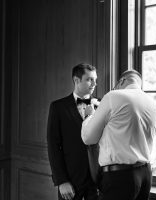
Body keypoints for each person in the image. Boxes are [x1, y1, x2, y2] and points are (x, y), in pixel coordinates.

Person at [81, 69, 156, 200]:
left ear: (121, 81)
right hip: (145, 174)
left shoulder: (114, 96)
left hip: (120, 178)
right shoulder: (152, 103)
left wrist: (90, 116)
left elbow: (88, 138)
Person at [47, 63, 99, 200]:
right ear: (76, 80)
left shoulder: (102, 105)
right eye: (89, 79)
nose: (94, 83)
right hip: (71, 179)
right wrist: (61, 181)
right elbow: (53, 146)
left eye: (95, 79)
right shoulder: (58, 107)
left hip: (98, 180)